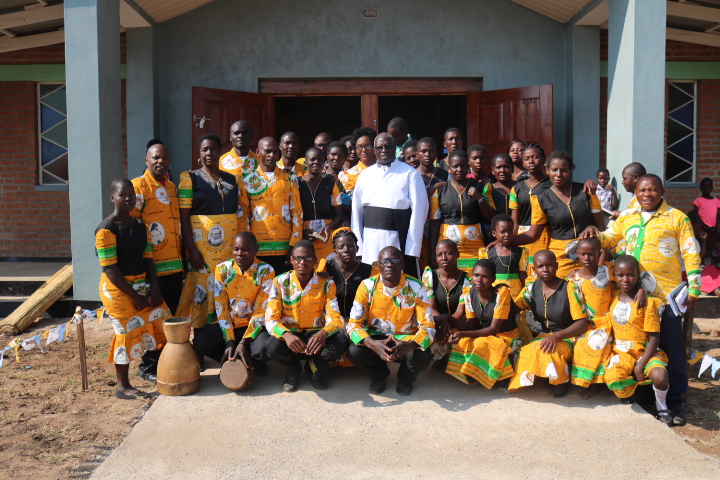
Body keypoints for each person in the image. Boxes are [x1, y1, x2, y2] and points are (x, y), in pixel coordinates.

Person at [581, 174, 702, 426]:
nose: (647, 194)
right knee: (632, 347)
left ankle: (675, 403)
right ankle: (642, 394)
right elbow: (609, 237)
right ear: (635, 192)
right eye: (642, 190)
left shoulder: (678, 218)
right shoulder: (627, 217)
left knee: (672, 350)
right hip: (630, 298)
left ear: (662, 191)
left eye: (653, 190)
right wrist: (595, 233)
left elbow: (691, 253)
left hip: (664, 299)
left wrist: (694, 289)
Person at [95, 178, 170, 399]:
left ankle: (168, 370)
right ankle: (122, 386)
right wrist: (136, 297)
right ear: (112, 198)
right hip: (117, 289)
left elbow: (148, 260)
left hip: (142, 284)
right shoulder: (106, 229)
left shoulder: (140, 226)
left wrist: (154, 290)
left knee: (163, 321)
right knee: (125, 332)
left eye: (131, 194)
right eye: (122, 194)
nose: (128, 198)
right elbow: (110, 270)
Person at [177, 134, 249, 329]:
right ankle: (200, 339)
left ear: (220, 152)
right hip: (202, 248)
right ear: (199, 155)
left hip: (228, 248)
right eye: (205, 149)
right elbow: (183, 217)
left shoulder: (233, 180)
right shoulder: (189, 178)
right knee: (203, 289)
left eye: (214, 149)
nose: (209, 153)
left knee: (226, 287)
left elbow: (240, 212)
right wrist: (191, 249)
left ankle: (226, 339)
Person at [347, 246, 435, 395]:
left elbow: (428, 327)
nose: (390, 264)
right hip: (376, 337)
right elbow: (353, 325)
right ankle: (378, 377)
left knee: (423, 355)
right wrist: (372, 344)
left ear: (402, 264)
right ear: (378, 265)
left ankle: (405, 380)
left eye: (395, 260)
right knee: (354, 351)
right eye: (385, 261)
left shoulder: (416, 287)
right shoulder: (367, 286)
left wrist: (409, 345)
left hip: (405, 339)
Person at [594, 255, 671, 424]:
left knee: (660, 376)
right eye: (620, 275)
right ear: (614, 276)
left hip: (645, 351)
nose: (625, 279)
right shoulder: (613, 296)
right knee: (614, 378)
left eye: (630, 275)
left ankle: (662, 406)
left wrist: (641, 365)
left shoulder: (648, 303)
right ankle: (633, 393)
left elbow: (654, 337)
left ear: (638, 276)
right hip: (621, 352)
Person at [129, 143, 183, 382]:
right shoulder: (138, 188)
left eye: (164, 157)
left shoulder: (172, 188)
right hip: (151, 268)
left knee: (169, 318)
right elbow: (132, 229)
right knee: (152, 318)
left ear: (169, 161)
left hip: (174, 266)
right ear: (146, 160)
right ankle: (148, 367)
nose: (160, 161)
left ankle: (167, 362)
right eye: (155, 157)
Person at [265, 240, 348, 392]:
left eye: (308, 258)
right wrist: (286, 335)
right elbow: (270, 319)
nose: (303, 262)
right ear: (292, 260)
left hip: (315, 336)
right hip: (292, 336)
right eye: (298, 258)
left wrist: (324, 333)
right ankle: (292, 371)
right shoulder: (280, 281)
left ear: (315, 260)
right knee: (272, 346)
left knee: (341, 340)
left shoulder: (327, 283)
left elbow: (336, 318)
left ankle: (315, 370)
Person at [508, 250, 589, 397]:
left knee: (550, 352)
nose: (545, 269)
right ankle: (544, 373)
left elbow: (582, 323)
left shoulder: (569, 287)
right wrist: (499, 294)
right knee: (527, 351)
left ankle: (562, 381)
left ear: (557, 266)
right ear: (534, 269)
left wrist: (557, 336)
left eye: (549, 265)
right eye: (540, 266)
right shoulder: (532, 288)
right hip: (544, 335)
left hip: (568, 337)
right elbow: (514, 307)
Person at [514, 151, 605, 278]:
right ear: (548, 170)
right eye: (554, 170)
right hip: (560, 257)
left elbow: (600, 224)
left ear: (570, 171)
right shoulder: (541, 199)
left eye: (564, 170)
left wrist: (601, 251)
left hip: (588, 255)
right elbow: (533, 234)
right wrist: (505, 241)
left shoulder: (586, 191)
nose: (558, 174)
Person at [196, 232, 274, 377]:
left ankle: (252, 360)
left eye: (245, 249)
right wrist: (230, 340)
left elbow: (260, 311)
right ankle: (234, 360)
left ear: (256, 250)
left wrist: (244, 342)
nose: (239, 254)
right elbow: (221, 307)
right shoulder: (222, 269)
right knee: (201, 342)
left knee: (264, 349)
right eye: (236, 249)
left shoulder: (266, 271)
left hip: (253, 328)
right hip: (230, 325)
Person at [351, 133, 429, 278]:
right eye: (379, 147)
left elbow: (420, 209)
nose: (384, 150)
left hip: (398, 238)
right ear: (374, 150)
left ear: (395, 148)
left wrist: (412, 247)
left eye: (388, 147)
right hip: (370, 240)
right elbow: (356, 212)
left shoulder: (410, 174)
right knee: (371, 281)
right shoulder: (365, 175)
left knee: (398, 280)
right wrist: (359, 247)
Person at [445, 259, 522, 388]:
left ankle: (497, 377)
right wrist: (448, 318)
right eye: (476, 275)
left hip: (508, 337)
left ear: (493, 279)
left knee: (481, 342)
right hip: (489, 335)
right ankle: (470, 374)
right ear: (471, 276)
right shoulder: (469, 294)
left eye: (485, 277)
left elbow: (493, 329)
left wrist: (463, 333)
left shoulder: (501, 294)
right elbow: (470, 325)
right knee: (462, 340)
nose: (479, 280)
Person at [567, 237, 625, 399]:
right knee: (583, 343)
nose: (587, 258)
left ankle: (603, 383)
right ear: (577, 254)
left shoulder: (607, 270)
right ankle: (593, 383)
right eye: (583, 254)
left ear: (599, 254)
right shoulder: (574, 280)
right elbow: (577, 309)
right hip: (587, 323)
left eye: (591, 254)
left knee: (603, 341)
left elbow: (624, 279)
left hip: (610, 320)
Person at [429, 150, 496, 273]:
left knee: (476, 281)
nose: (459, 169)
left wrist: (479, 198)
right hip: (447, 247)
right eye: (455, 166)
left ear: (468, 167)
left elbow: (491, 217)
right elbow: (435, 222)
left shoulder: (481, 187)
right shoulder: (440, 191)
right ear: (449, 168)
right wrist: (433, 251)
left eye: (463, 166)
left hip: (475, 246)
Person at [244, 137, 303, 274]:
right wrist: (247, 247)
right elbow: (244, 214)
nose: (272, 155)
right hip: (257, 248)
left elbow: (297, 213)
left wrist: (294, 245)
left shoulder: (290, 178)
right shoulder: (247, 180)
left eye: (275, 152)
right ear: (258, 152)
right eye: (268, 151)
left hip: (283, 248)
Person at [421, 240, 471, 362]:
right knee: (426, 338)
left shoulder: (467, 279)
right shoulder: (430, 276)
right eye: (439, 255)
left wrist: (448, 321)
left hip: (458, 323)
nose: (444, 258)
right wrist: (442, 323)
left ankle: (449, 360)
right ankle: (440, 359)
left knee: (458, 339)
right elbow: (432, 307)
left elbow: (460, 311)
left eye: (448, 253)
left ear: (458, 254)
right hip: (437, 321)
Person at [508, 143, 552, 278]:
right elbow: (514, 221)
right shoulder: (517, 188)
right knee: (523, 275)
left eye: (535, 157)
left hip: (545, 236)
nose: (531, 161)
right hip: (522, 236)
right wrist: (510, 241)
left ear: (544, 160)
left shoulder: (552, 185)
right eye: (527, 158)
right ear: (523, 162)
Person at [298, 147, 343, 260]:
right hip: (304, 237)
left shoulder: (330, 183)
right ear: (305, 162)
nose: (316, 162)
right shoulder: (297, 183)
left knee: (328, 270)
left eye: (320, 160)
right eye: (312, 159)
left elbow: (339, 214)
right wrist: (302, 231)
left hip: (326, 237)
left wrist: (329, 227)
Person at [322, 228, 373, 319]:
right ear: (335, 251)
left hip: (360, 322)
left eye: (350, 246)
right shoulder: (326, 268)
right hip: (333, 320)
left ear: (357, 248)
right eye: (341, 247)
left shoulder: (369, 270)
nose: (346, 250)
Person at [339, 127, 376, 196]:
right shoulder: (347, 175)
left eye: (367, 145)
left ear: (374, 146)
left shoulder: (384, 169)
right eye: (360, 146)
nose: (364, 150)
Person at [692, 177, 720, 263]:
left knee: (713, 248)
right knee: (702, 247)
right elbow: (696, 215)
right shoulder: (698, 201)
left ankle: (713, 263)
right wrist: (704, 226)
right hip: (702, 229)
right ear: (700, 188)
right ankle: (702, 263)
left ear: (712, 188)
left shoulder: (716, 201)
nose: (706, 189)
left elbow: (718, 216)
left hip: (713, 229)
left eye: (708, 187)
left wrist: (716, 226)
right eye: (704, 187)